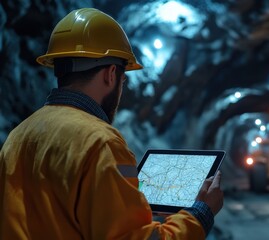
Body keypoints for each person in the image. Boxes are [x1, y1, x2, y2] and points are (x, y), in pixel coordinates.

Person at [0, 8, 223, 239]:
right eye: (123, 79)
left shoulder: (18, 136)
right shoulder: (100, 142)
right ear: (111, 74)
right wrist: (200, 214)